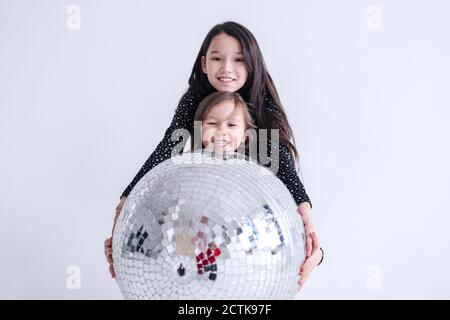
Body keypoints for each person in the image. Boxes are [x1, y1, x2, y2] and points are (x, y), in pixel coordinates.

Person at [105, 21, 323, 288]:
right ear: (204, 63)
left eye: (239, 59)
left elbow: (281, 162)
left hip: (250, 222)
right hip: (202, 217)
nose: (227, 68)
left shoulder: (260, 104)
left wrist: (306, 219)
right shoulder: (195, 99)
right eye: (217, 58)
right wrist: (126, 207)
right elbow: (169, 146)